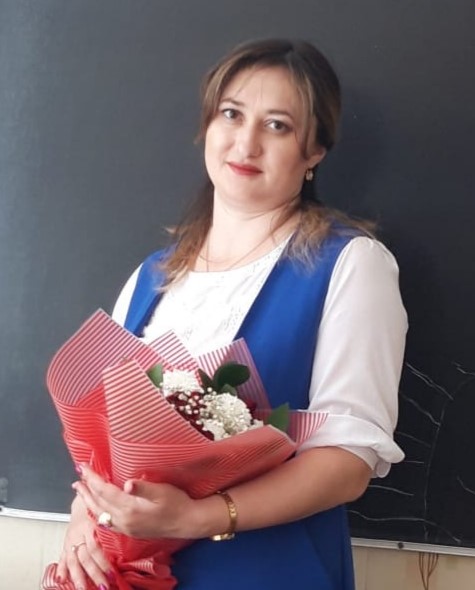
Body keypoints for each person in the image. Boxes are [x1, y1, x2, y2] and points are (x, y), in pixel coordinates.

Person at [56, 38, 407, 590]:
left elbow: (348, 464)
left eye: (278, 126)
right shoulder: (152, 276)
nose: (246, 143)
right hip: (138, 574)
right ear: (207, 125)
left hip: (271, 573)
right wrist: (85, 516)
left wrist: (197, 517)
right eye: (232, 114)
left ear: (314, 152)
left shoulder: (351, 265)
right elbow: (104, 440)